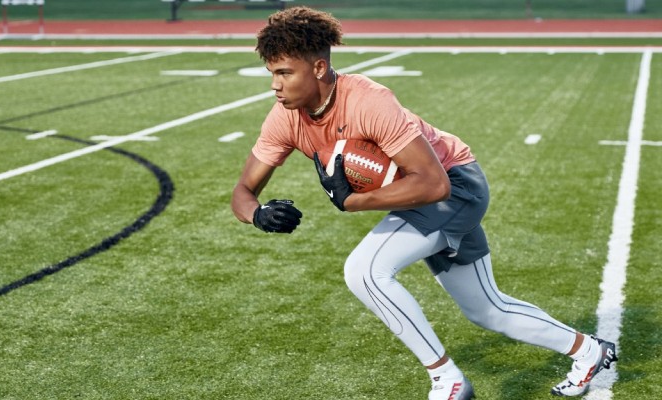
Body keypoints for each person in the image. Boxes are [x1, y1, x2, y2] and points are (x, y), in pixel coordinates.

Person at [230, 6, 617, 399]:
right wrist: (258, 214)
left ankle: (447, 379)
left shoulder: (368, 102)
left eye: (284, 73)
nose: (275, 86)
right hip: (419, 193)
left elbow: (435, 185)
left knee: (364, 271)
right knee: (486, 309)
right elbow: (243, 191)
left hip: (456, 184)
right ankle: (588, 350)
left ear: (317, 68)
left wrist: (354, 203)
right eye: (272, 74)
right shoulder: (284, 118)